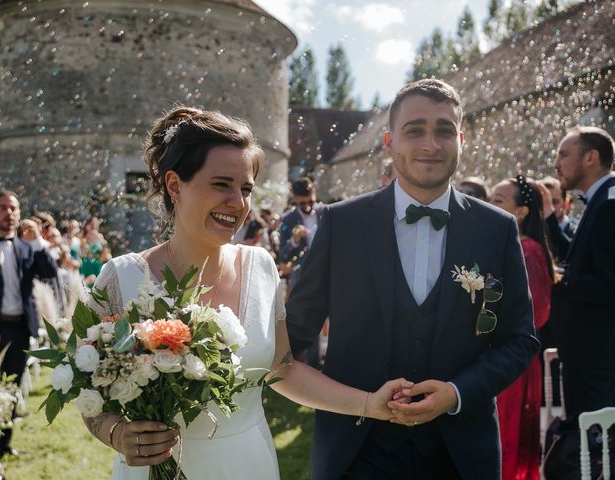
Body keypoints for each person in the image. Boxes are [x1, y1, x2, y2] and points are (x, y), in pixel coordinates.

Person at [81, 106, 412, 480]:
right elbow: (87, 388)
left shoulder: (261, 267)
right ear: (175, 186)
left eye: (246, 189)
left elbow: (282, 369)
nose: (237, 204)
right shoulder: (121, 277)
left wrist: (371, 404)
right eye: (221, 184)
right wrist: (117, 432)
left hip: (247, 462)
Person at [286, 79, 539, 479]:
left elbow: (519, 339)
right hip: (356, 452)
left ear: (461, 139)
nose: (430, 144)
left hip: (459, 453)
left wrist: (456, 394)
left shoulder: (497, 228)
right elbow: (292, 335)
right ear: (389, 141)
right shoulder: (341, 223)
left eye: (443, 130)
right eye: (415, 129)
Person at [551, 126, 615, 421]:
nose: (556, 164)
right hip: (597, 356)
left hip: (597, 357)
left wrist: (557, 279)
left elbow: (611, 286)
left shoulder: (612, 204)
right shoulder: (607, 199)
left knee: (602, 453)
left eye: (564, 154)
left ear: (591, 157)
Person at [490, 175, 555, 480]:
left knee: (507, 442)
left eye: (498, 201)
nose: (489, 206)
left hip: (511, 360)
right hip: (500, 357)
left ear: (522, 212)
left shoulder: (527, 250)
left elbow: (537, 313)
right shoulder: (508, 245)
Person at [0, 191, 58, 458]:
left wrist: (38, 243)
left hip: (20, 328)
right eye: (2, 208)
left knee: (11, 386)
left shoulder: (25, 247)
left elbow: (49, 274)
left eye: (14, 208)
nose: (9, 213)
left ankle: (3, 444)